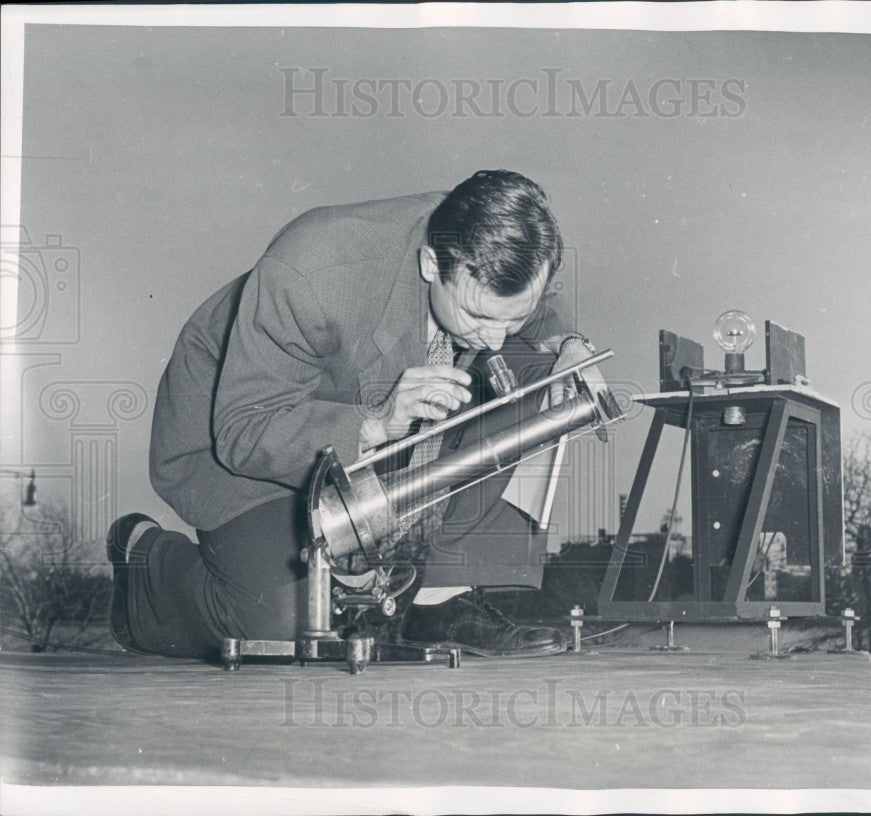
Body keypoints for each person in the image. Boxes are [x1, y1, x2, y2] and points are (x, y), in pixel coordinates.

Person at [107, 169, 601, 660]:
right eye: (480, 318)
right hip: (244, 428)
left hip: (353, 411)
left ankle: (440, 602)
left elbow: (530, 307)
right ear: (432, 263)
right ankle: (145, 563)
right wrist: (376, 423)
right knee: (287, 628)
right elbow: (242, 430)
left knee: (547, 374)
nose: (496, 338)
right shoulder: (310, 270)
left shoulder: (488, 240)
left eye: (511, 318)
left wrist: (571, 346)